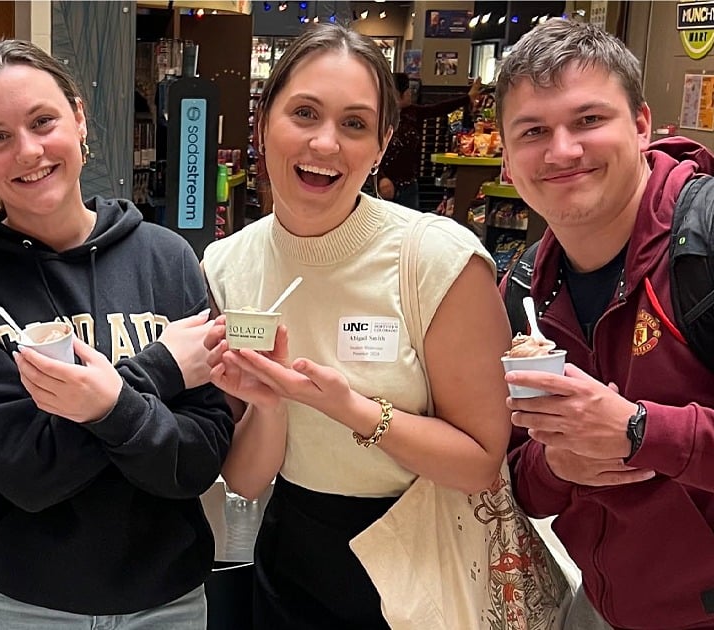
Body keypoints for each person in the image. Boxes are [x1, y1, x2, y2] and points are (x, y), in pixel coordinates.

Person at [0, 39, 233, 629]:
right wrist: (155, 373)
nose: (28, 151)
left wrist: (99, 412)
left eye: (42, 121)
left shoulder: (167, 258)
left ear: (79, 119)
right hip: (17, 607)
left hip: (169, 605)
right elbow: (26, 473)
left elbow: (198, 460)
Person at [203, 23, 512, 628]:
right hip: (292, 559)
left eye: (354, 124)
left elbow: (481, 462)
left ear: (381, 143)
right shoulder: (227, 264)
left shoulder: (435, 258)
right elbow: (243, 478)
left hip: (424, 552)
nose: (324, 143)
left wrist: (354, 410)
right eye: (304, 113)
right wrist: (269, 405)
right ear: (264, 121)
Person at [496, 19, 714, 630]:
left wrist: (642, 431)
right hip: (601, 606)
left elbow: (634, 435)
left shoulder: (704, 244)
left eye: (589, 121)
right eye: (534, 131)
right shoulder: (526, 288)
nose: (562, 151)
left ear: (643, 125)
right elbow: (522, 479)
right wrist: (557, 465)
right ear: (509, 160)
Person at [376, 73, 481, 209]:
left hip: (409, 185)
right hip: (384, 183)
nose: (410, 94)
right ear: (396, 93)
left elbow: (440, 108)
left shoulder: (412, 113)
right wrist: (381, 178)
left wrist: (467, 98)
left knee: (410, 225)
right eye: (408, 90)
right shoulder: (379, 118)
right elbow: (370, 150)